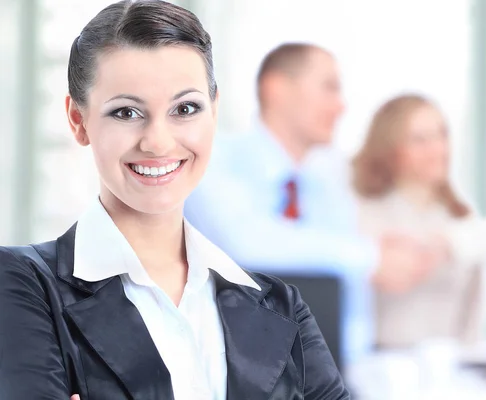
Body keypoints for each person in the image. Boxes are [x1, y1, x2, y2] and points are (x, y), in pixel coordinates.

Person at [0, 2, 348, 399]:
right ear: (79, 121)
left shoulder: (281, 308)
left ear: (213, 112)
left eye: (185, 108)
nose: (158, 142)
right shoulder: (22, 284)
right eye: (127, 112)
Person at [184, 43, 418, 365]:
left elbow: (349, 303)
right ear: (276, 89)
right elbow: (246, 243)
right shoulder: (212, 161)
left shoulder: (326, 182)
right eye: (329, 88)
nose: (340, 106)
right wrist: (366, 256)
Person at [353, 94, 482, 348]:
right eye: (420, 140)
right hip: (382, 366)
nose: (437, 149)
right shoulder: (362, 212)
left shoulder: (462, 216)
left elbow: (474, 309)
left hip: (450, 367)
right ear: (390, 149)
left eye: (441, 135)